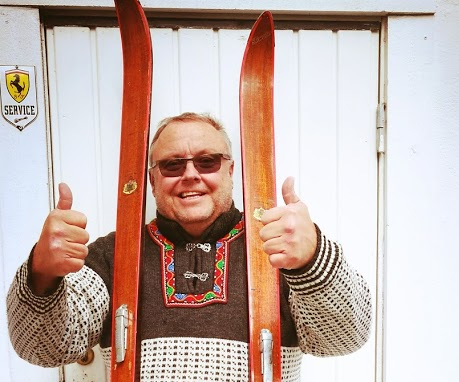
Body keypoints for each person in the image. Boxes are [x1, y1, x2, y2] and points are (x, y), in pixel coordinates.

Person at [7, 112, 372, 380]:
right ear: (152, 180)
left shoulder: (280, 246)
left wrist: (313, 258)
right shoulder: (113, 254)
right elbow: (43, 348)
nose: (191, 174)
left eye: (207, 161)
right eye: (172, 165)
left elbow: (346, 337)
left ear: (230, 171)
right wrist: (42, 273)